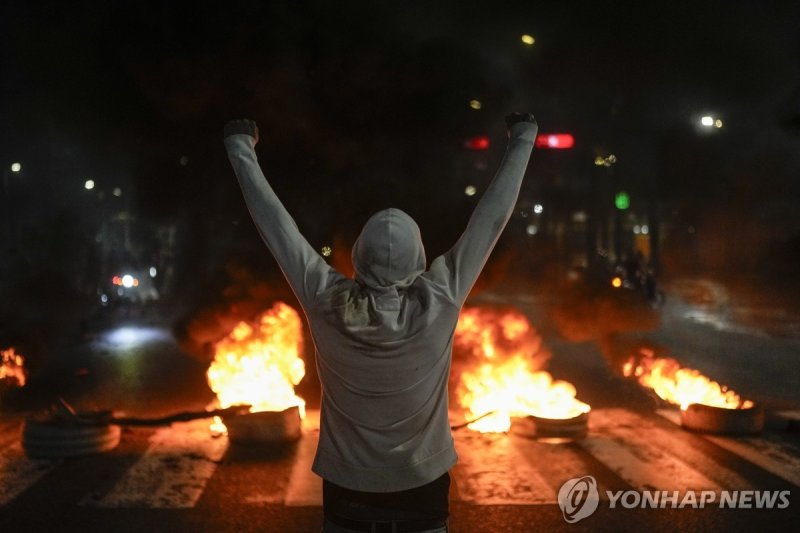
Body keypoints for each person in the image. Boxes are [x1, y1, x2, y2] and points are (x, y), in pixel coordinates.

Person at [224, 112, 538, 532]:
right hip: (421, 491)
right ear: (418, 256)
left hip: (347, 493)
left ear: (358, 255)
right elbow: (490, 220)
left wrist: (240, 148)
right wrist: (523, 138)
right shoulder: (439, 298)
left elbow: (277, 227)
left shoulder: (326, 299)